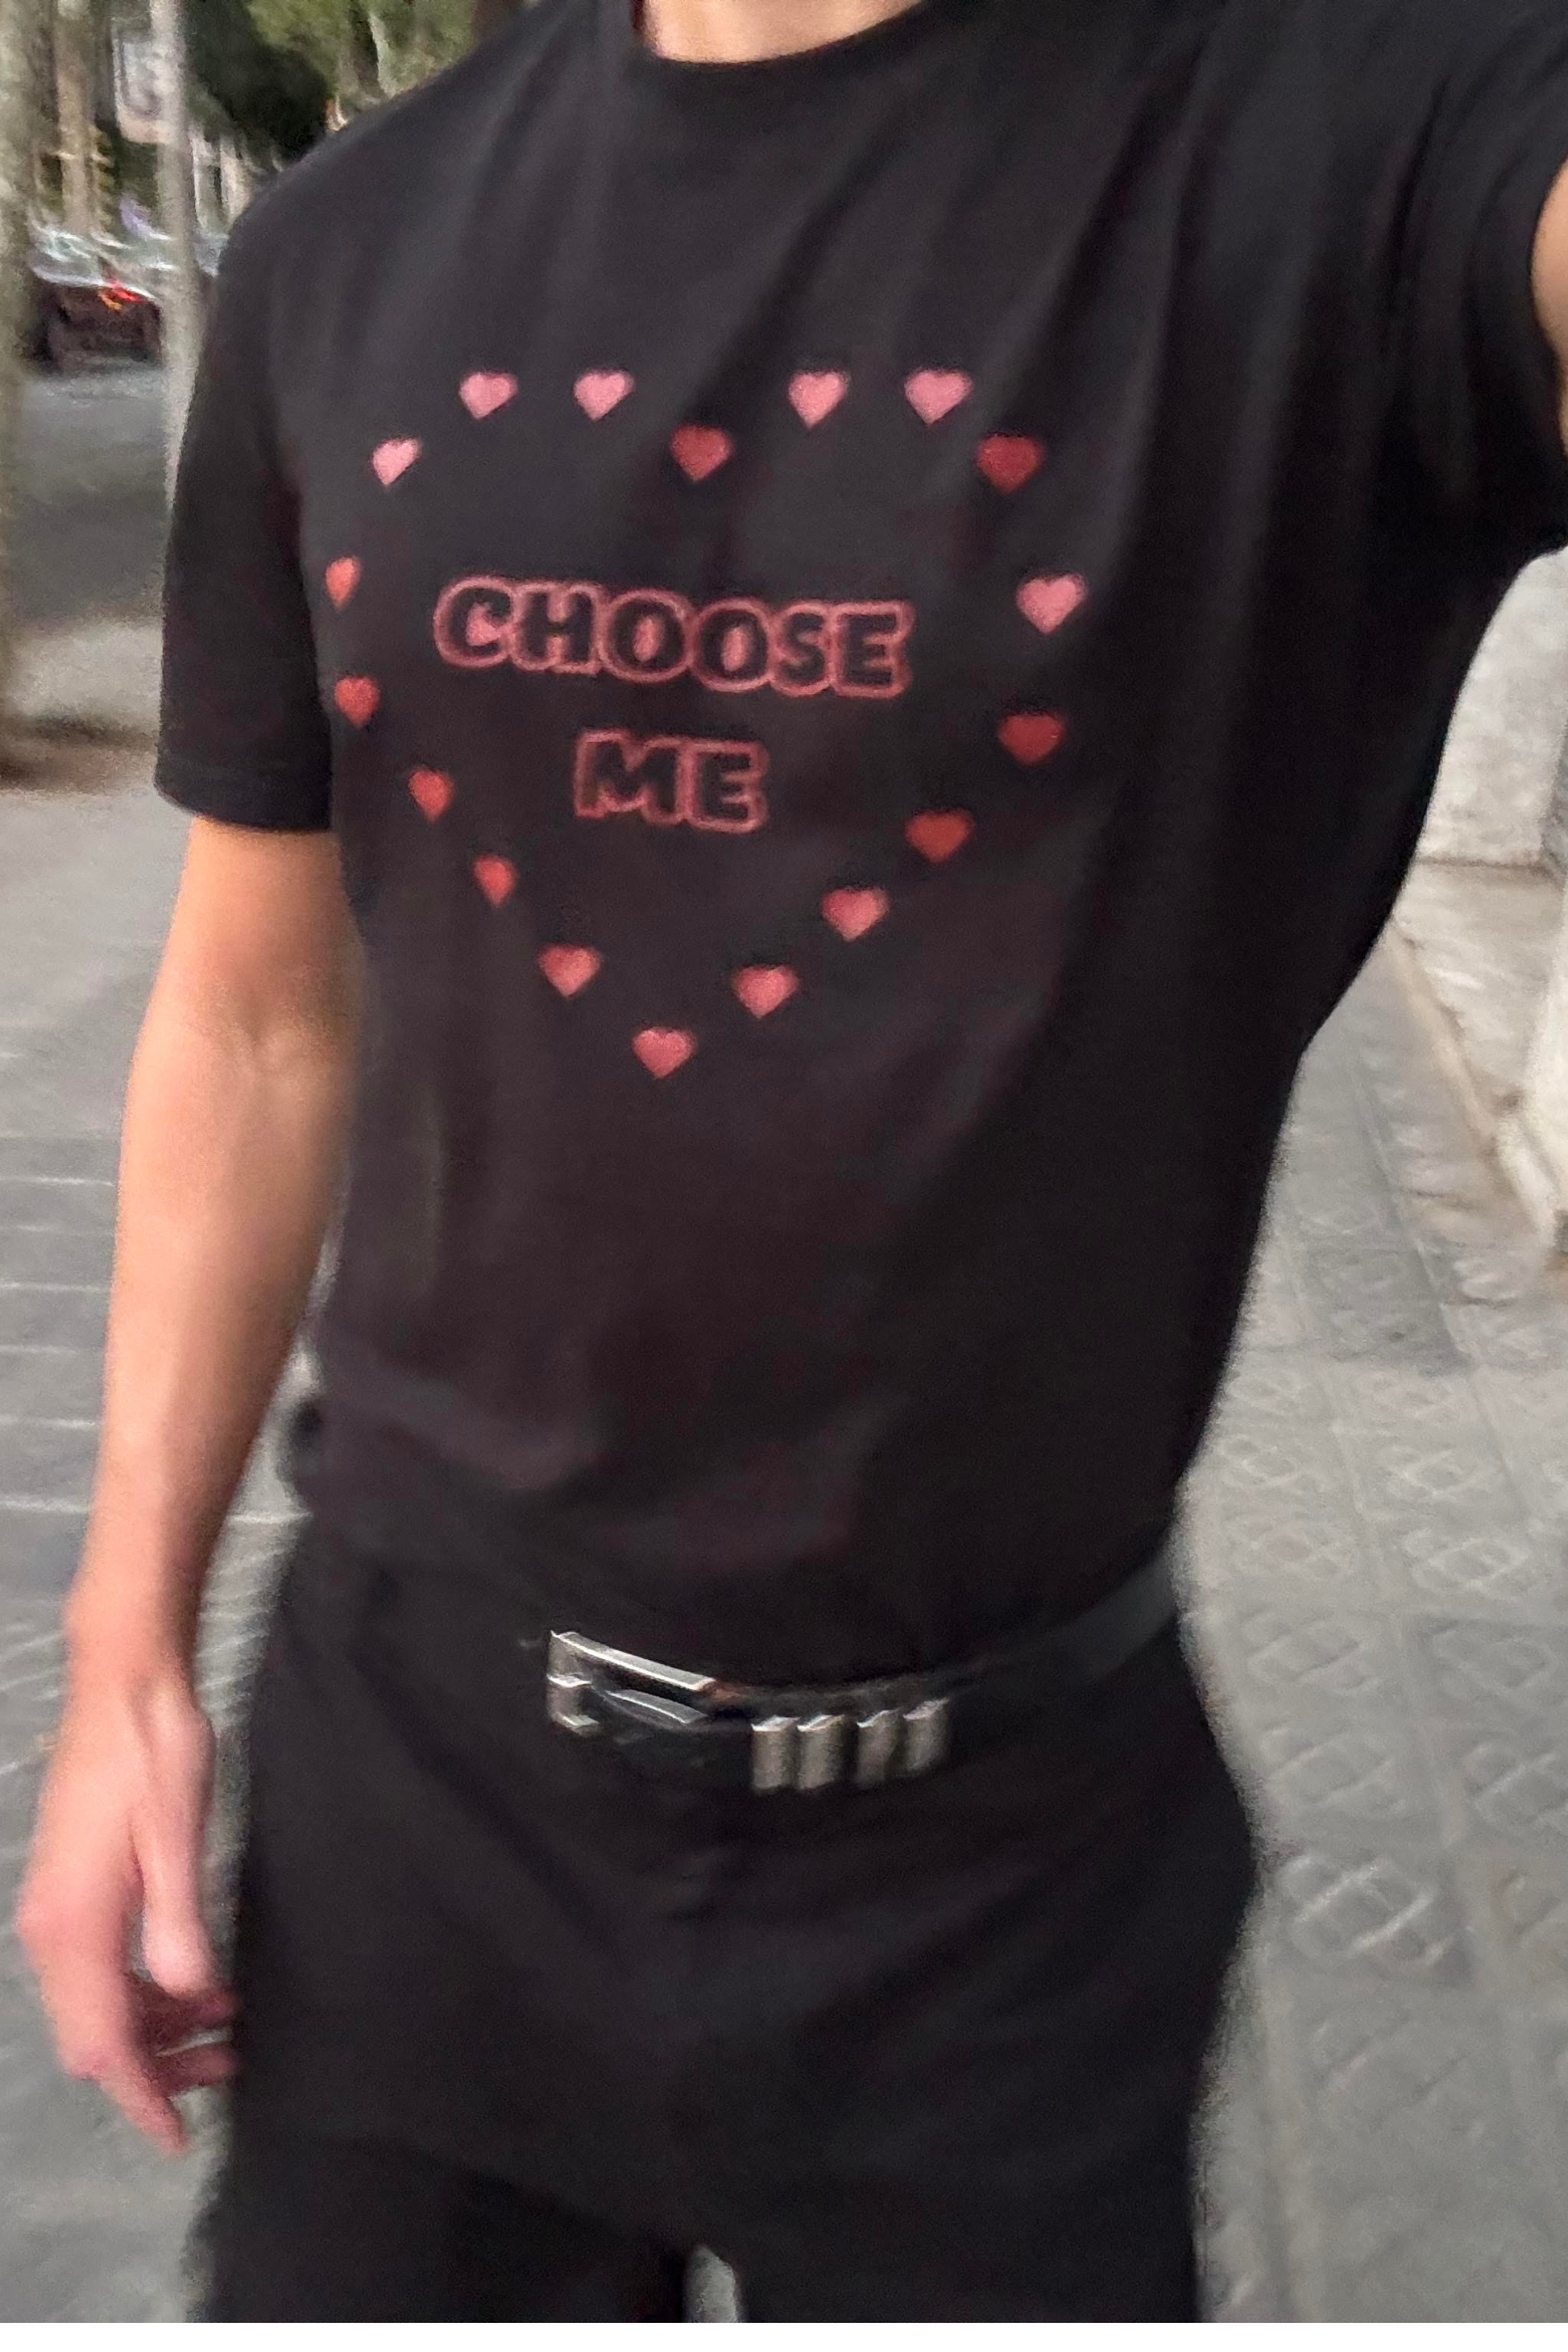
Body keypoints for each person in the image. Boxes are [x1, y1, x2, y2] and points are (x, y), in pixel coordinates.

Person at [17, 0, 1568, 2321]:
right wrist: (123, 1645)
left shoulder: (1350, 146)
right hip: (413, 1810)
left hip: (1001, 1876)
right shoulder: (351, 245)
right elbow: (252, 1014)